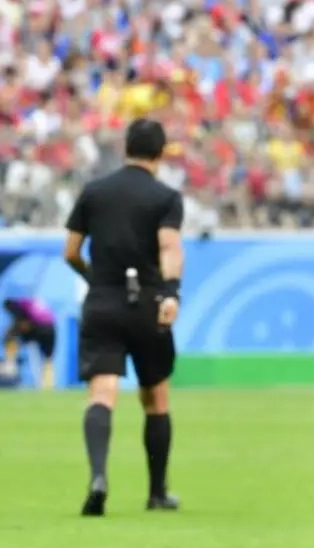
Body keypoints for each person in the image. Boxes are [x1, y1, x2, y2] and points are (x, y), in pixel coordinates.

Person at [63, 118, 185, 517]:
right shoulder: (165, 197)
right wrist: (171, 292)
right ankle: (157, 492)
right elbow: (168, 247)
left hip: (102, 302)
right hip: (147, 303)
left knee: (102, 393)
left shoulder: (94, 192)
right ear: (160, 153)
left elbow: (71, 251)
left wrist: (93, 278)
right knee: (156, 397)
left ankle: (98, 478)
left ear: (125, 148)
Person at [2, 296, 57, 389]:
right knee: (48, 359)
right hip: (50, 329)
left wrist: (12, 333)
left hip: (39, 329)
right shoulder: (29, 304)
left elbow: (24, 325)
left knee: (40, 357)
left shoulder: (19, 309)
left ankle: (10, 363)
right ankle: (48, 385)